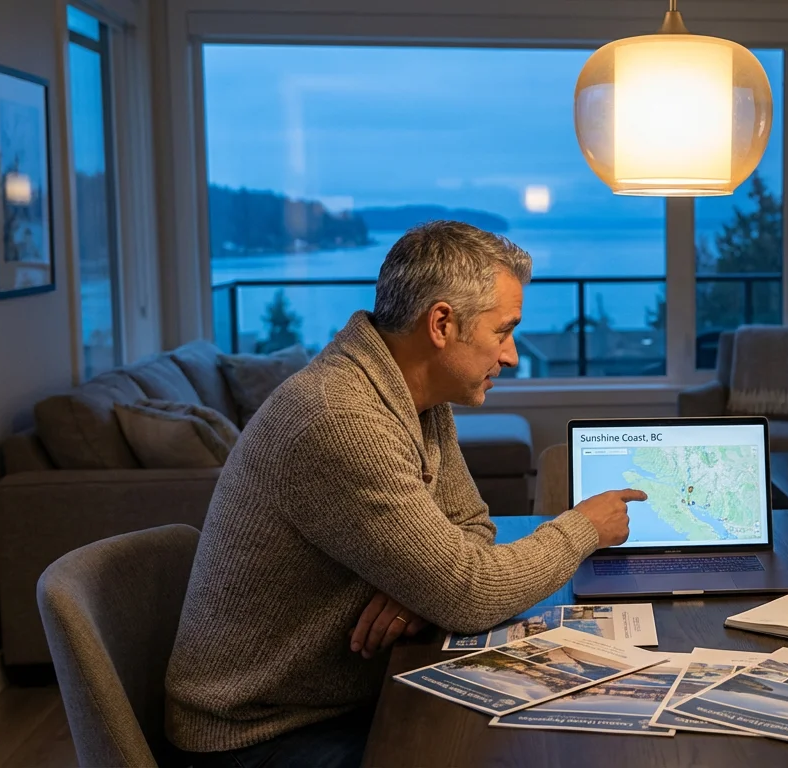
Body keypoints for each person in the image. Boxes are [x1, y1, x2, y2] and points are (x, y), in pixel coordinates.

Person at [165, 221, 644, 767]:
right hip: (257, 735)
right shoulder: (339, 418)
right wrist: (582, 527)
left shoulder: (414, 391)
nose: (511, 355)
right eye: (503, 330)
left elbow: (471, 530)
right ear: (441, 323)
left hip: (328, 702)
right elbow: (471, 592)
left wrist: (424, 584)